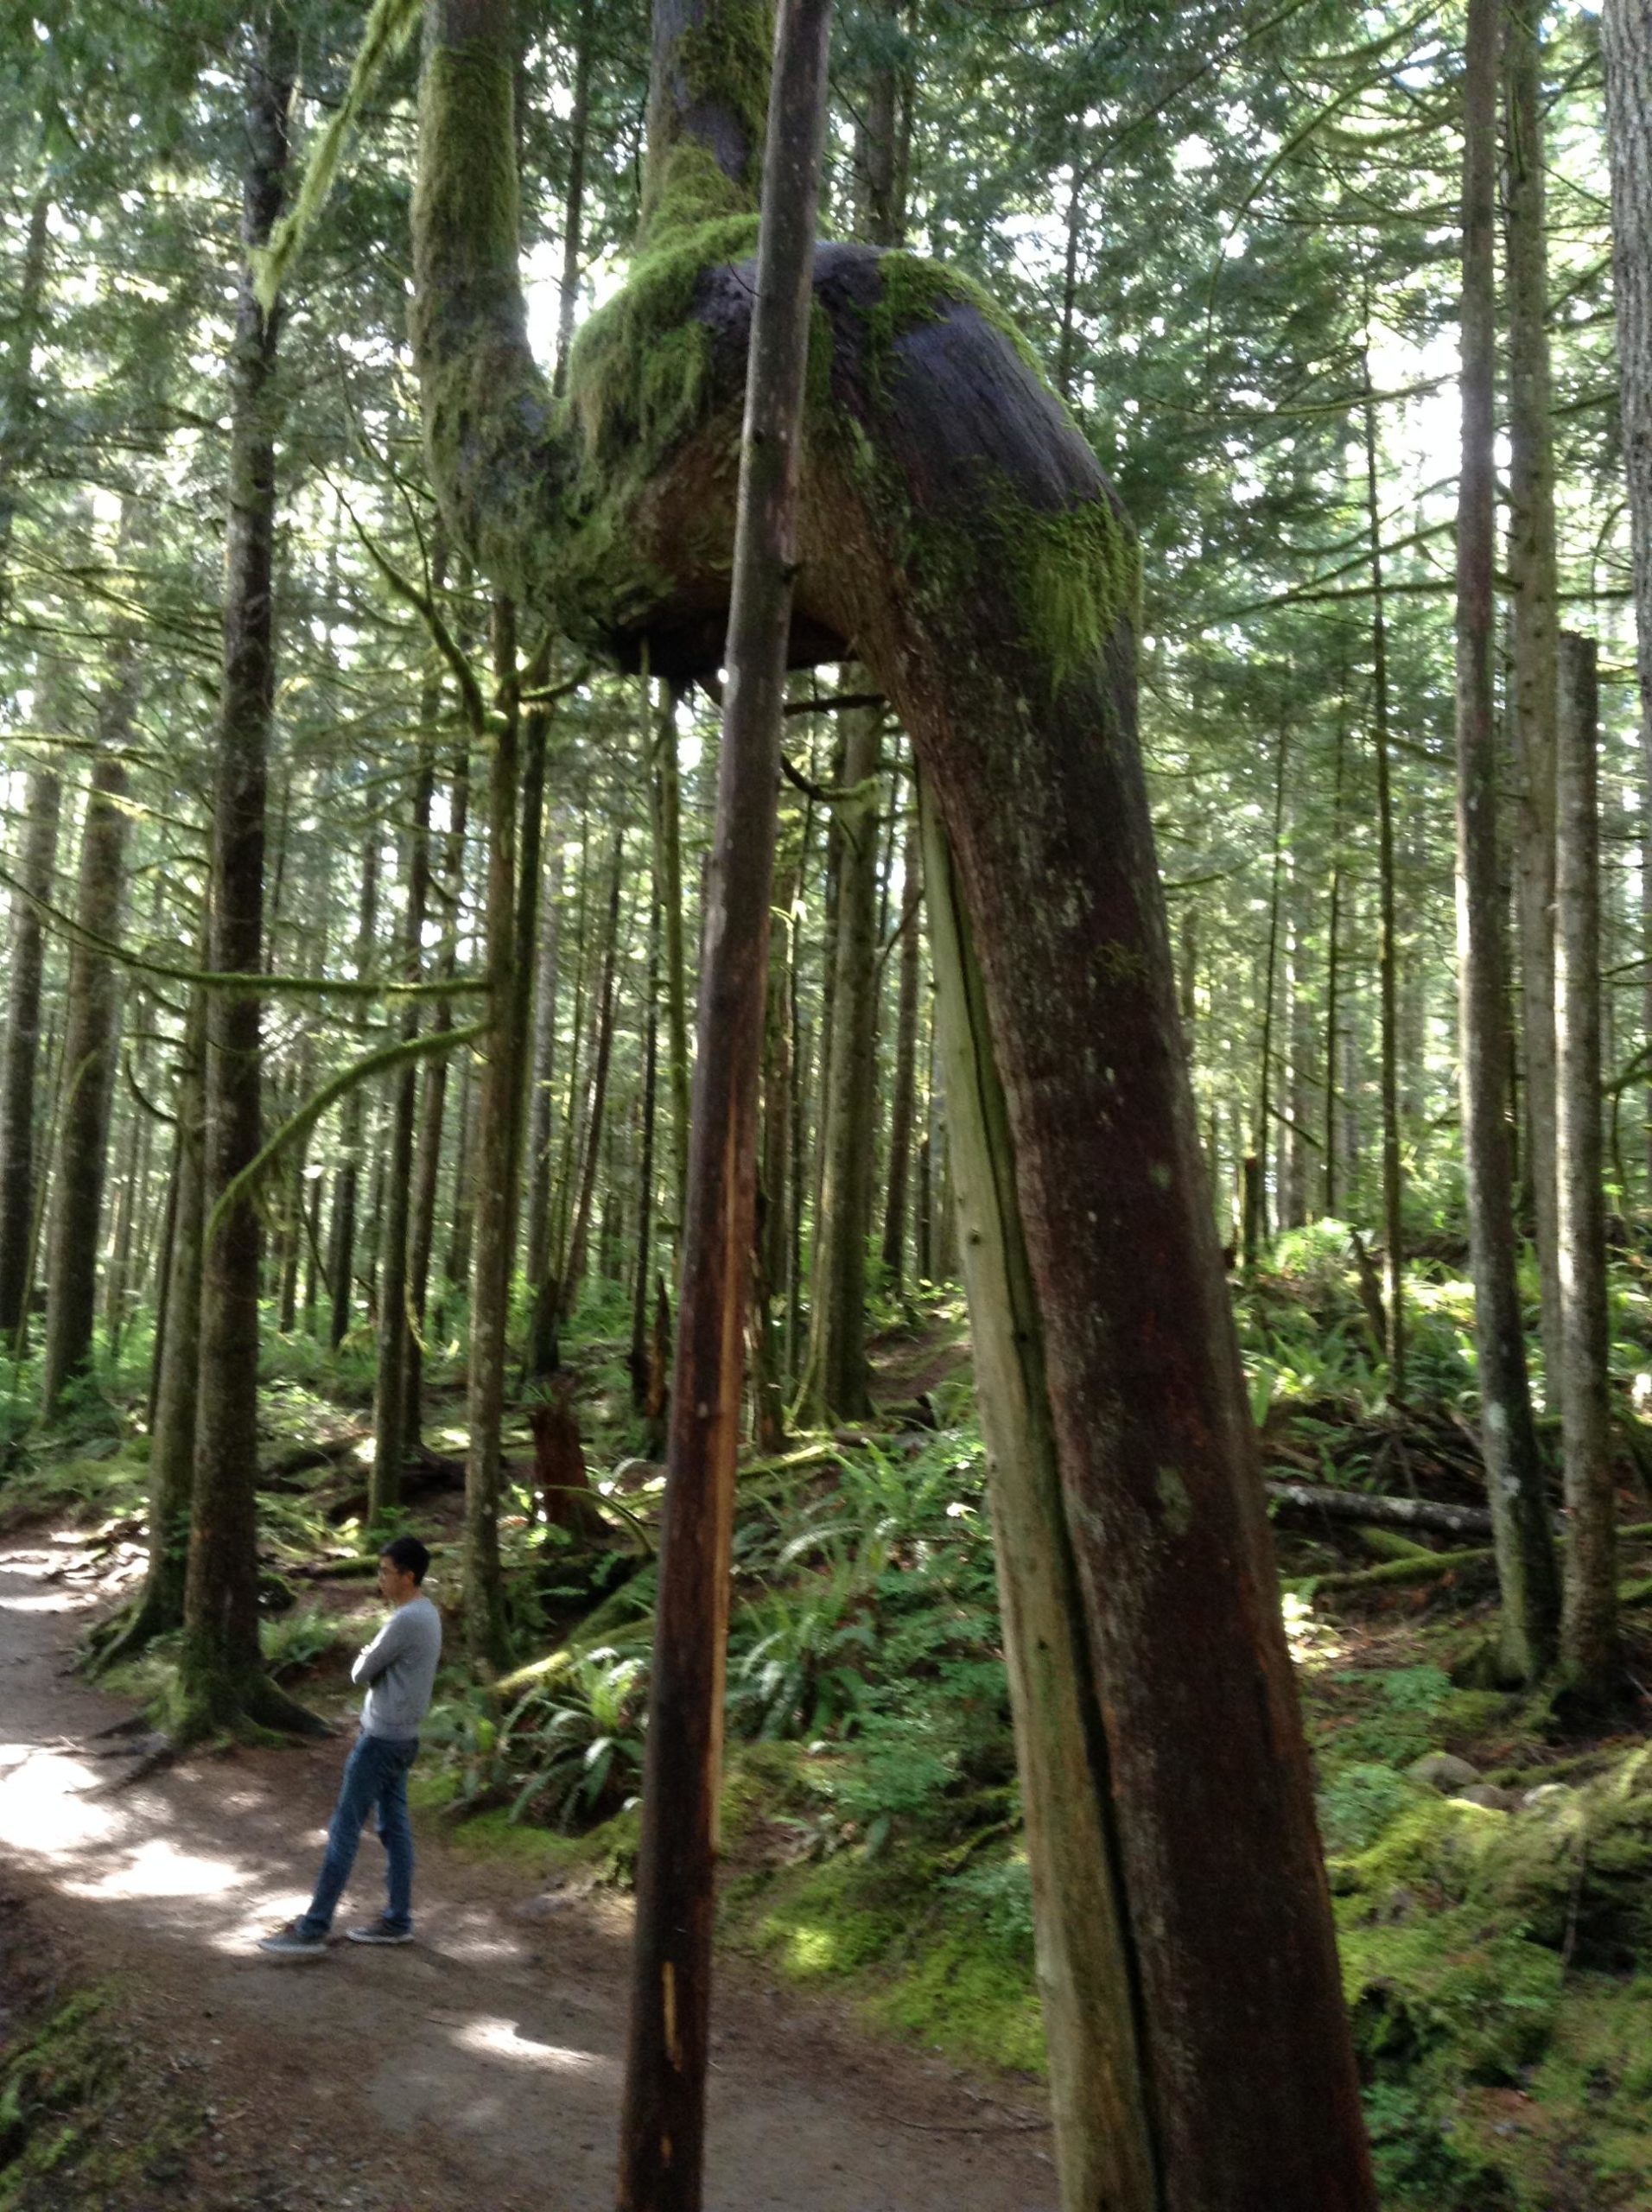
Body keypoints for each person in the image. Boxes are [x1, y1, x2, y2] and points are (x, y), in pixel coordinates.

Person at [257, 1535, 442, 1958]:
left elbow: (360, 1671)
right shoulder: (427, 1613)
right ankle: (397, 1920)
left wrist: (366, 1656)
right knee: (394, 1828)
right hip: (404, 1737)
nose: (380, 1579)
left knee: (344, 1829)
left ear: (408, 1576)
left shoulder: (405, 1620)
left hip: (380, 1740)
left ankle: (313, 1928)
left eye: (385, 1572)